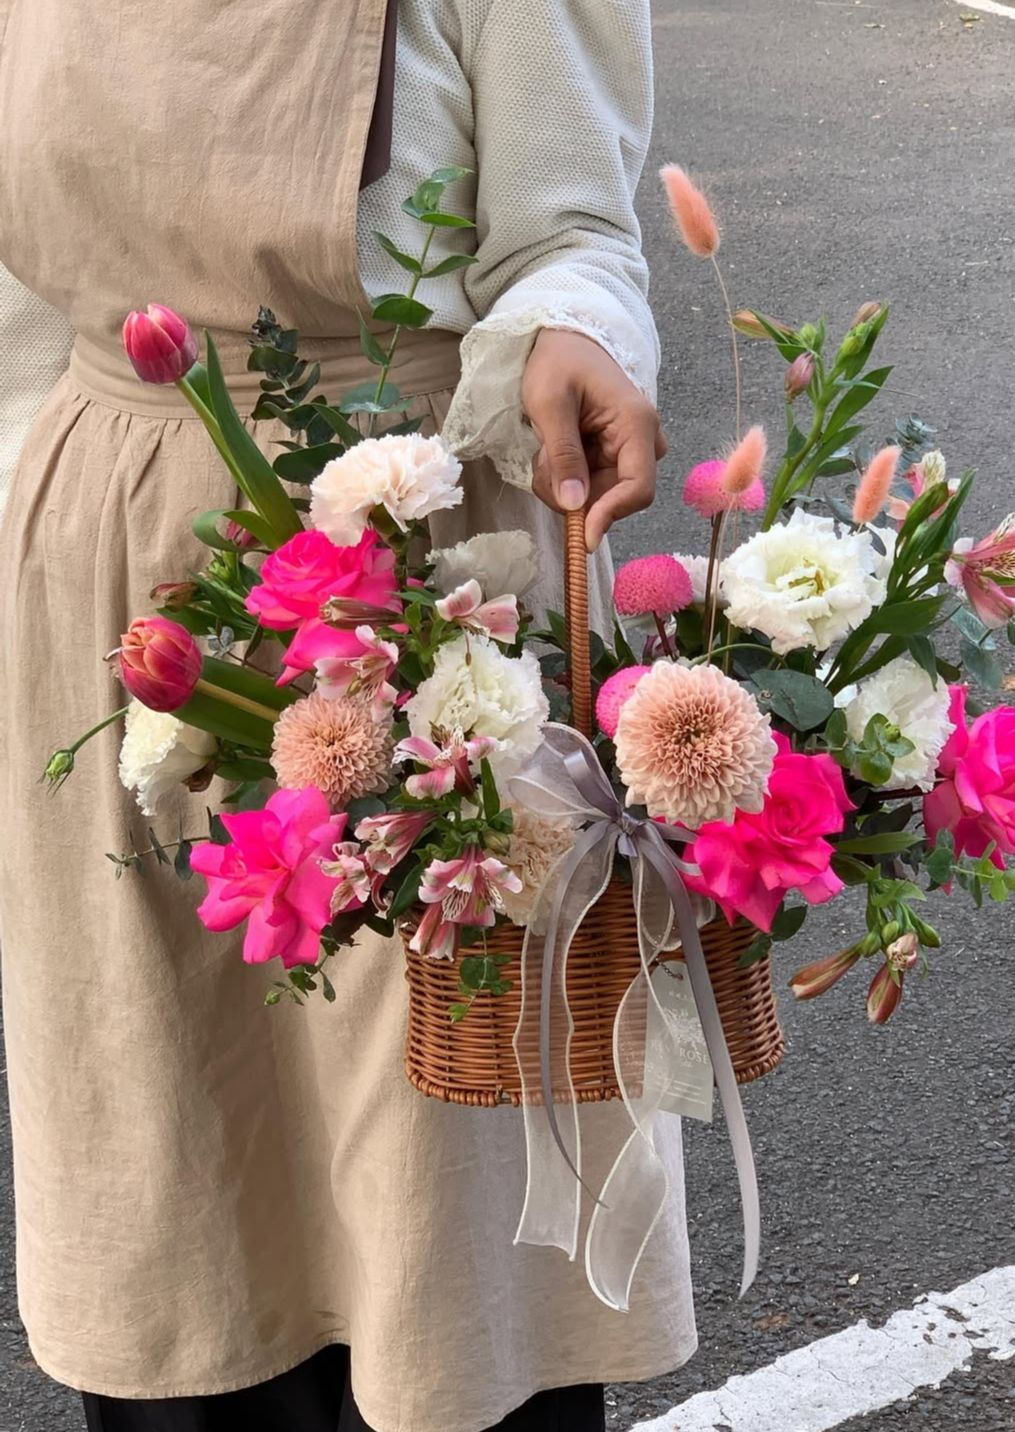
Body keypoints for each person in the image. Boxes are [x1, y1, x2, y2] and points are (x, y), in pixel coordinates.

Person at [0, 3, 696, 1431]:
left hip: (418, 567)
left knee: (449, 1179)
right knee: (167, 1137)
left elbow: (569, 233)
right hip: (106, 572)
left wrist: (576, 325)